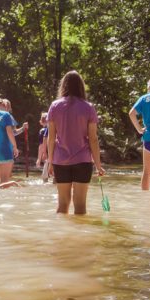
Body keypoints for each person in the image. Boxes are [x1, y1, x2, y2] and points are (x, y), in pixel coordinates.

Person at [45, 71, 105, 214]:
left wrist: (50, 161)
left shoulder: (54, 106)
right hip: (83, 161)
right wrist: (98, 165)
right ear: (81, 86)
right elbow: (93, 139)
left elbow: (51, 138)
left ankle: (62, 234)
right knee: (80, 206)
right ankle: (80, 235)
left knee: (62, 204)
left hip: (60, 160)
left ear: (63, 86)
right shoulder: (88, 107)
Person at [36, 112, 50, 180]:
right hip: (55, 155)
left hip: (47, 154)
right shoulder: (54, 128)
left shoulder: (42, 131)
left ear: (41, 121)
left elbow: (41, 145)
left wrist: (39, 158)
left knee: (45, 177)